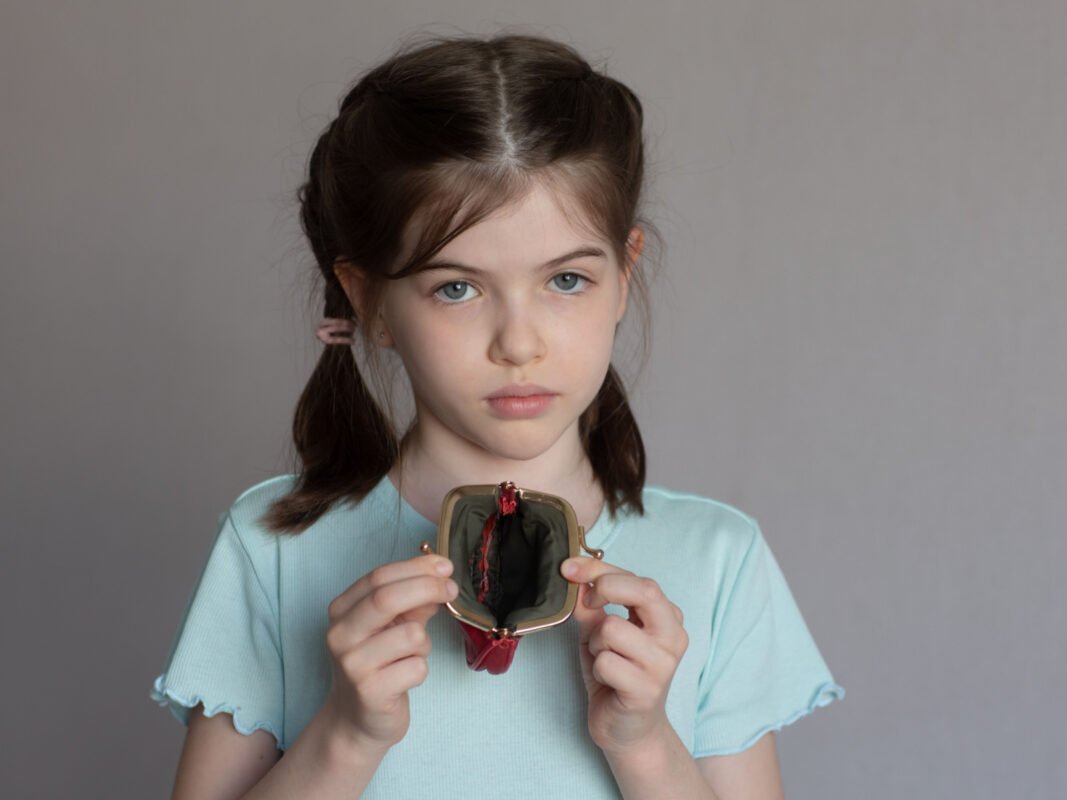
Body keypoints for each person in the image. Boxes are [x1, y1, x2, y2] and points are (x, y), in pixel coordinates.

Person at [148, 32, 844, 800]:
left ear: (623, 276)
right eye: (456, 287)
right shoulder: (270, 548)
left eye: (567, 280)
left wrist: (643, 746)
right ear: (367, 301)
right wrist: (346, 735)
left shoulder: (719, 560)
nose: (519, 343)